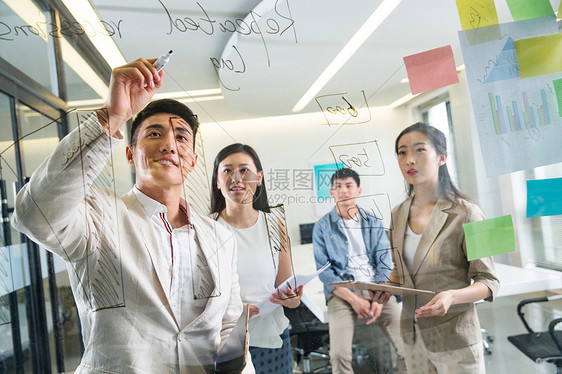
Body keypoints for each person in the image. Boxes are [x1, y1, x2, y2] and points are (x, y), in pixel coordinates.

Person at [12, 58, 252, 373]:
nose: (169, 144)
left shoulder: (219, 236)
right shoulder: (96, 215)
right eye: (154, 134)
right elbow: (34, 214)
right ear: (130, 153)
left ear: (192, 161)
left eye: (181, 137)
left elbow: (229, 325)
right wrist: (110, 119)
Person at [372, 122, 500, 373]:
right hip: (412, 335)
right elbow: (400, 271)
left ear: (442, 157)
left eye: (419, 150)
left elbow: (490, 282)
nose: (409, 160)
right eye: (402, 152)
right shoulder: (398, 213)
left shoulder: (469, 212)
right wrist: (384, 288)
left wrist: (453, 296)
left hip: (455, 337)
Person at [210, 143, 302, 374]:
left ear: (259, 178)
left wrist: (292, 297)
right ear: (217, 181)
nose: (236, 178)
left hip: (273, 335)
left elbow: (288, 292)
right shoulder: (206, 228)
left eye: (244, 170)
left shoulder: (275, 224)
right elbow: (198, 298)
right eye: (227, 171)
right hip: (228, 340)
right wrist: (233, 309)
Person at [313, 168, 405, 374]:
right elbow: (325, 272)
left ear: (358, 190)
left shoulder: (373, 221)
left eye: (348, 185)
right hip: (342, 293)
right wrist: (355, 300)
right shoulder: (322, 227)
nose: (343, 190)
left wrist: (379, 298)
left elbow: (384, 263)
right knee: (339, 355)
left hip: (377, 288)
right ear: (331, 192)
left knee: (408, 347)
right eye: (338, 186)